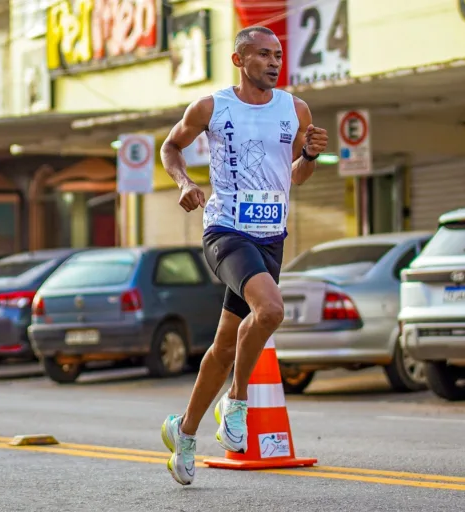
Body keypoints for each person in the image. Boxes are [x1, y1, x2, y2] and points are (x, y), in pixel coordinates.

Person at [158, 25, 328, 486]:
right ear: (239, 60)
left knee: (224, 346)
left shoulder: (295, 109)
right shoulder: (212, 106)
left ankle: (184, 433)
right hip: (227, 230)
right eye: (263, 55)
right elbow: (170, 146)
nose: (273, 62)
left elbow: (296, 175)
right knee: (270, 310)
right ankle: (236, 400)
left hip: (272, 235)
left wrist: (309, 156)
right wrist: (185, 183)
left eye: (277, 55)